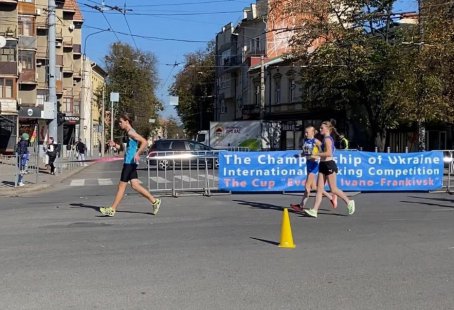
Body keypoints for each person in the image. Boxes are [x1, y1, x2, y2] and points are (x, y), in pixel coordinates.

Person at [99, 113, 161, 217]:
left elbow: (144, 142)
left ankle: (112, 209)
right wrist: (115, 145)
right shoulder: (128, 132)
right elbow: (125, 149)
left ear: (127, 121)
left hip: (129, 163)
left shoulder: (131, 132)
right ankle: (154, 201)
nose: (119, 124)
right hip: (130, 162)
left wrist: (137, 153)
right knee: (135, 185)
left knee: (121, 186)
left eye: (121, 122)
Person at [304, 120, 356, 218]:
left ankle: (349, 202)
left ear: (328, 129)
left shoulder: (328, 139)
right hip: (322, 165)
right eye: (320, 128)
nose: (320, 129)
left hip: (329, 165)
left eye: (322, 128)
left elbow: (329, 153)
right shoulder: (324, 139)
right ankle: (314, 210)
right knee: (319, 189)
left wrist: (316, 154)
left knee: (333, 189)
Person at [290, 126, 337, 212]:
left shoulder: (316, 141)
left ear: (312, 133)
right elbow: (305, 153)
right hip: (308, 163)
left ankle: (301, 206)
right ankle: (331, 197)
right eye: (305, 132)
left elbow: (326, 150)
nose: (305, 134)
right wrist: (300, 155)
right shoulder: (305, 141)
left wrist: (317, 155)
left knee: (307, 186)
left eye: (307, 132)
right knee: (314, 187)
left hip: (314, 164)